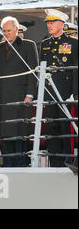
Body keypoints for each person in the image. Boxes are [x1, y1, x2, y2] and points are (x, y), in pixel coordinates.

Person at [0, 16, 38, 167]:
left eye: (9, 31)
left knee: (20, 134)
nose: (6, 34)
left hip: (21, 97)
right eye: (4, 31)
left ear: (17, 29)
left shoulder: (28, 46)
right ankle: (8, 165)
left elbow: (33, 72)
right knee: (5, 134)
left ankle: (22, 165)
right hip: (4, 97)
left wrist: (30, 95)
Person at [39, 9, 78, 167]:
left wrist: (75, 94)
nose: (49, 25)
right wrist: (40, 94)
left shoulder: (73, 43)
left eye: (52, 22)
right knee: (51, 129)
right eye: (48, 22)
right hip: (50, 94)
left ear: (61, 23)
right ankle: (54, 163)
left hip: (65, 93)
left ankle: (67, 161)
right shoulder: (45, 44)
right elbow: (41, 71)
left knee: (66, 129)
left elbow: (76, 70)